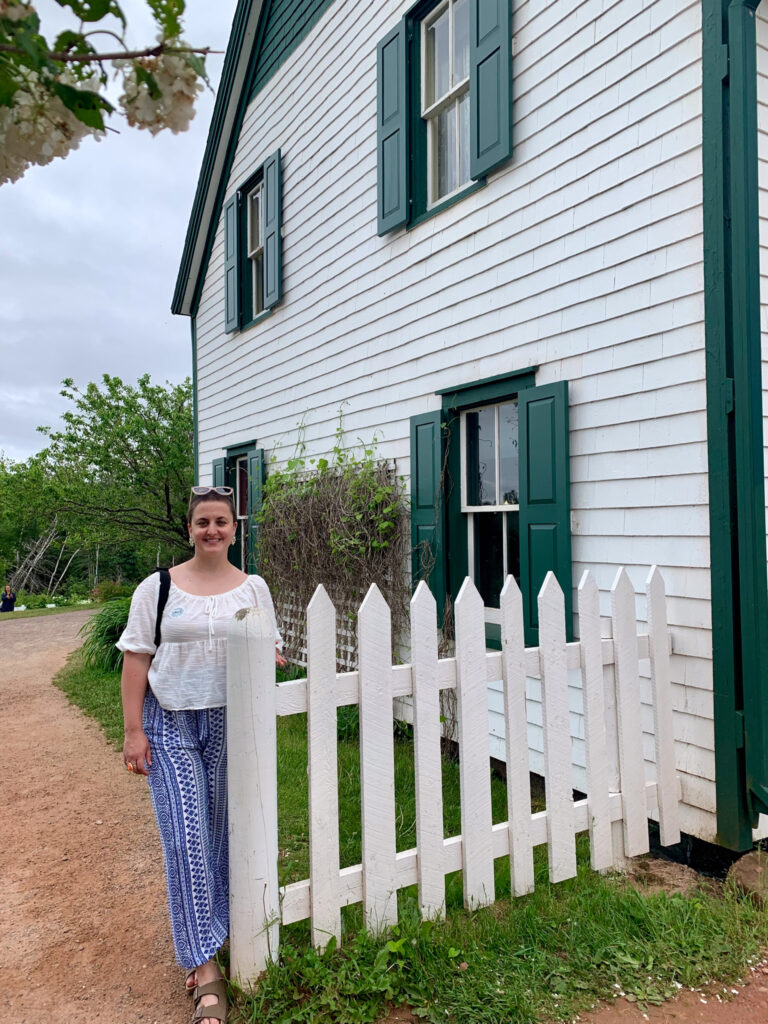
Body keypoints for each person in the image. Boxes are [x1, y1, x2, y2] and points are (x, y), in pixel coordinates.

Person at [117, 485, 285, 1024]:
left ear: (236, 528)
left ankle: (216, 928)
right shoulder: (158, 587)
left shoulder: (253, 587)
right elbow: (137, 658)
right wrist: (132, 730)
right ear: (188, 530)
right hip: (169, 720)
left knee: (218, 832)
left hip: (229, 721)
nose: (212, 530)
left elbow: (269, 647)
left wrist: (270, 658)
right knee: (185, 834)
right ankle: (205, 967)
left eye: (222, 521)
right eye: (202, 522)